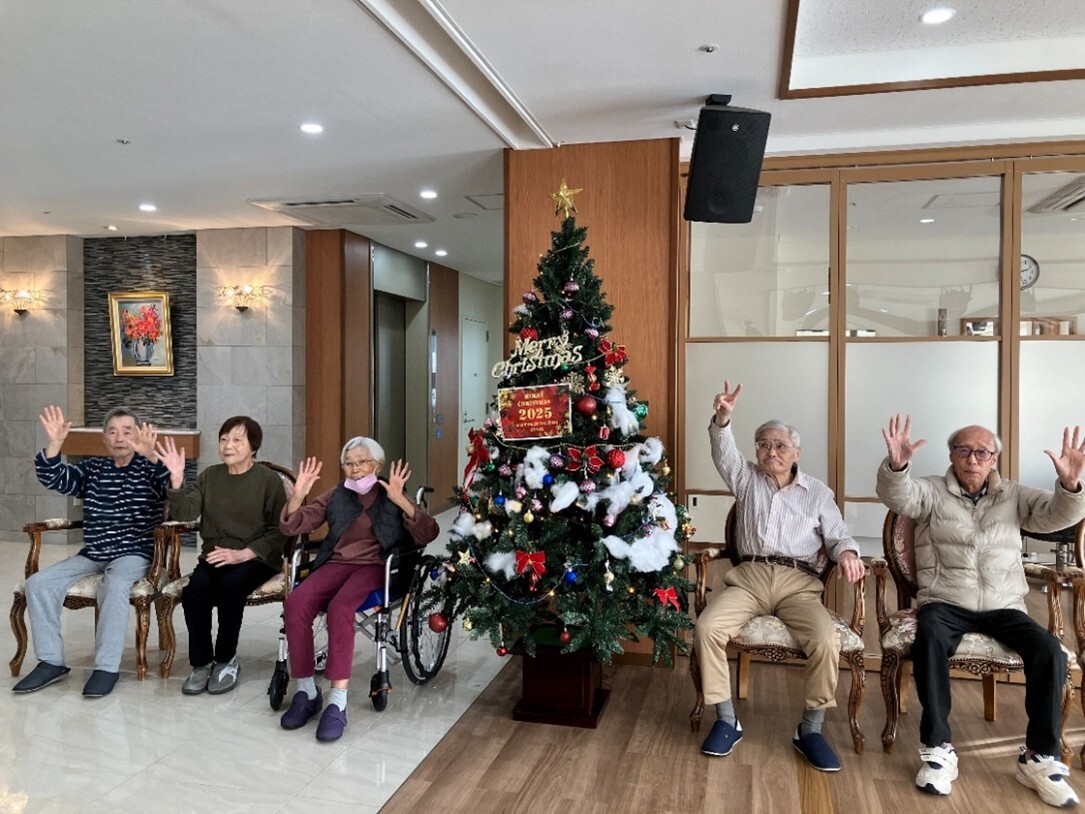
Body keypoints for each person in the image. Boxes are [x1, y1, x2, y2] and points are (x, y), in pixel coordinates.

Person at [877, 415, 1085, 807]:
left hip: (1003, 605)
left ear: (994, 459)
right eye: (964, 451)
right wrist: (897, 467)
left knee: (1049, 651)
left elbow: (1058, 515)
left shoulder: (1015, 495)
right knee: (929, 639)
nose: (973, 459)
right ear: (952, 455)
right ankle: (938, 750)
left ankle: (1039, 757)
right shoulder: (931, 491)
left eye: (982, 452)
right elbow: (898, 498)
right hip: (946, 601)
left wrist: (1070, 486)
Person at [695, 381, 865, 772]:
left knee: (825, 638)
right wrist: (723, 418)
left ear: (796, 453)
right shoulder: (745, 479)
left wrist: (848, 553)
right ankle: (726, 719)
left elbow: (838, 535)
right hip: (750, 578)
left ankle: (811, 729)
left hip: (798, 584)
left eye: (780, 445)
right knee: (707, 628)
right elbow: (723, 451)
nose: (771, 452)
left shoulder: (817, 492)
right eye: (763, 444)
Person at [277, 438, 438, 742]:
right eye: (349, 463)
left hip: (376, 566)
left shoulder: (391, 492)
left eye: (363, 462)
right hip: (336, 563)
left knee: (340, 608)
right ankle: (307, 692)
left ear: (377, 465)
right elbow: (292, 525)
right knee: (296, 602)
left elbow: (428, 533)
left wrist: (402, 501)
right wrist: (297, 495)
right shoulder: (336, 494)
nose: (355, 469)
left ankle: (337, 701)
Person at [14, 406, 169, 698]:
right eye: (113, 432)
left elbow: (174, 486)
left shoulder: (149, 468)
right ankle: (51, 661)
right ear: (104, 438)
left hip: (133, 553)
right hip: (93, 553)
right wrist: (55, 444)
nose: (119, 438)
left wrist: (152, 455)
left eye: (127, 432)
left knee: (114, 584)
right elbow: (54, 478)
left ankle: (106, 668)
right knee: (38, 584)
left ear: (138, 435)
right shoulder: (94, 468)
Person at [157, 416, 287, 695]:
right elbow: (185, 513)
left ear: (254, 447)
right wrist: (177, 479)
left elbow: (279, 530)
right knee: (195, 592)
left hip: (257, 557)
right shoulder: (210, 476)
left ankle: (226, 660)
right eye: (224, 439)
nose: (228, 445)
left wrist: (242, 555)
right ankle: (202, 663)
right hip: (216, 555)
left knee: (231, 587)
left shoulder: (268, 481)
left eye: (237, 440)